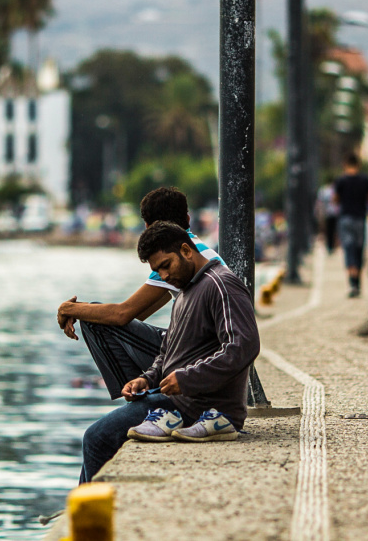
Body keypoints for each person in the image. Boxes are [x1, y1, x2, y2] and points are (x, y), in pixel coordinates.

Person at [79, 221, 259, 483]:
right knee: (99, 436)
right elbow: (166, 353)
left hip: (199, 409)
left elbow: (244, 345)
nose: (163, 276)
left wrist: (187, 378)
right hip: (174, 400)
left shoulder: (221, 284)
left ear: (186, 250)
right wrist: (147, 378)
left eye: (166, 265)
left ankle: (87, 509)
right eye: (157, 270)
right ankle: (81, 502)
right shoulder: (186, 291)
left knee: (96, 438)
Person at [56, 187, 224, 400]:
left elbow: (122, 315)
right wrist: (85, 310)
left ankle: (136, 398)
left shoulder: (175, 258)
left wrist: (69, 309)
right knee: (96, 314)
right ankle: (140, 391)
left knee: (94, 322)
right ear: (188, 218)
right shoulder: (197, 248)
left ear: (147, 228)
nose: (163, 274)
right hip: (205, 351)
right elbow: (136, 315)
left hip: (197, 358)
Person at [331, 152, 368, 297]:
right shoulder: (365, 180)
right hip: (360, 218)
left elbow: (335, 200)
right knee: (358, 249)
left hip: (345, 218)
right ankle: (357, 282)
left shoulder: (341, 180)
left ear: (345, 164)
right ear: (358, 164)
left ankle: (352, 283)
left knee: (348, 249)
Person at [316, 183, 339, 254]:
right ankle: (332, 245)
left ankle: (330, 246)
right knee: (334, 230)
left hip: (327, 213)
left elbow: (320, 202)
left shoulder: (323, 191)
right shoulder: (334, 190)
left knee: (328, 230)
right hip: (334, 212)